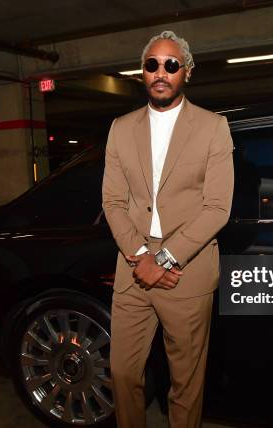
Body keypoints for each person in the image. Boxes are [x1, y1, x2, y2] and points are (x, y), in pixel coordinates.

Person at [101, 30, 234, 428]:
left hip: (186, 271)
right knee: (123, 374)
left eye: (171, 64)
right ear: (142, 72)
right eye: (152, 64)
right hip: (133, 269)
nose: (161, 72)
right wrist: (141, 257)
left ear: (187, 73)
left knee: (185, 383)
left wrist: (163, 258)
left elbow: (217, 208)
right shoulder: (120, 128)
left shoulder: (213, 127)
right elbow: (113, 202)